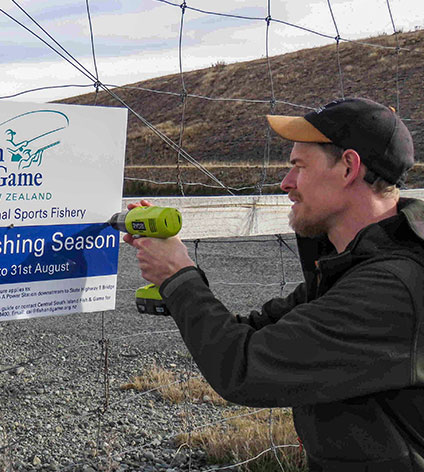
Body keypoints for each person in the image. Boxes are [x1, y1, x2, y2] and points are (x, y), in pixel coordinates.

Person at [123, 97, 424, 471]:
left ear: (348, 167)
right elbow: (253, 332)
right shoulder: (355, 268)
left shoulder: (391, 289)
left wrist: (178, 276)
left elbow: (244, 366)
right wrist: (180, 275)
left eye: (298, 166)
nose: (286, 183)